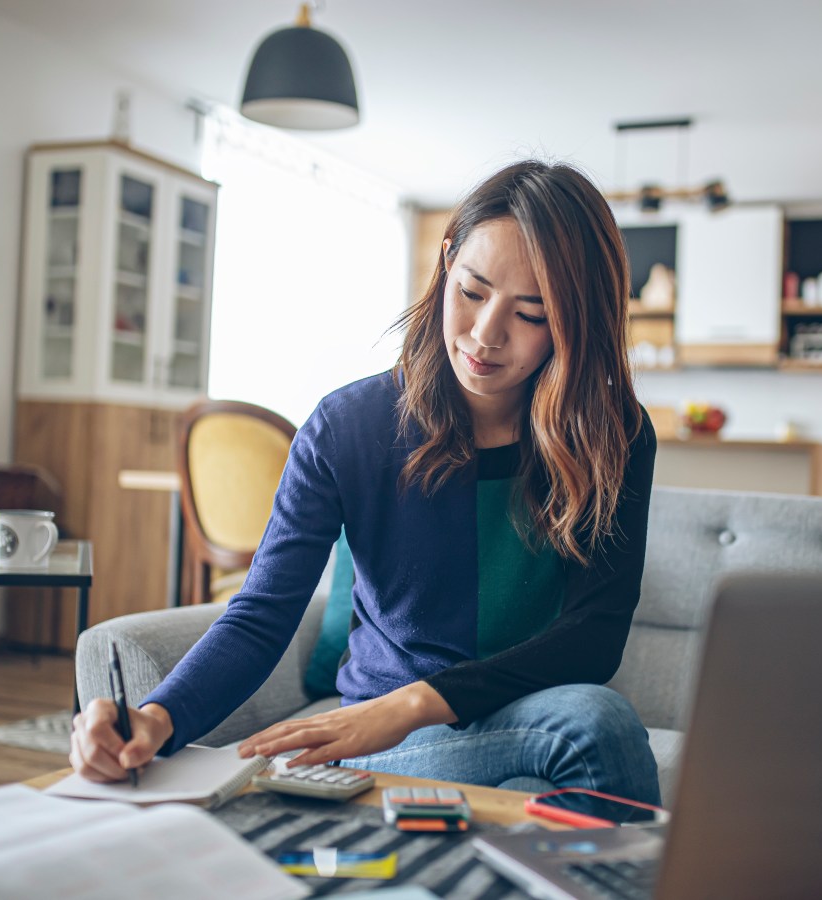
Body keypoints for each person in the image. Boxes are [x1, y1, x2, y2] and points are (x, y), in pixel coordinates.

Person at [70, 159, 661, 803]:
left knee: (582, 730)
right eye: (471, 292)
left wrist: (410, 703)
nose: (486, 335)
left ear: (577, 322)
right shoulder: (348, 427)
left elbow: (594, 637)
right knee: (590, 733)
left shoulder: (612, 434)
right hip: (392, 740)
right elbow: (262, 615)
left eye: (532, 313)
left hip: (515, 712)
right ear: (444, 263)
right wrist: (154, 720)